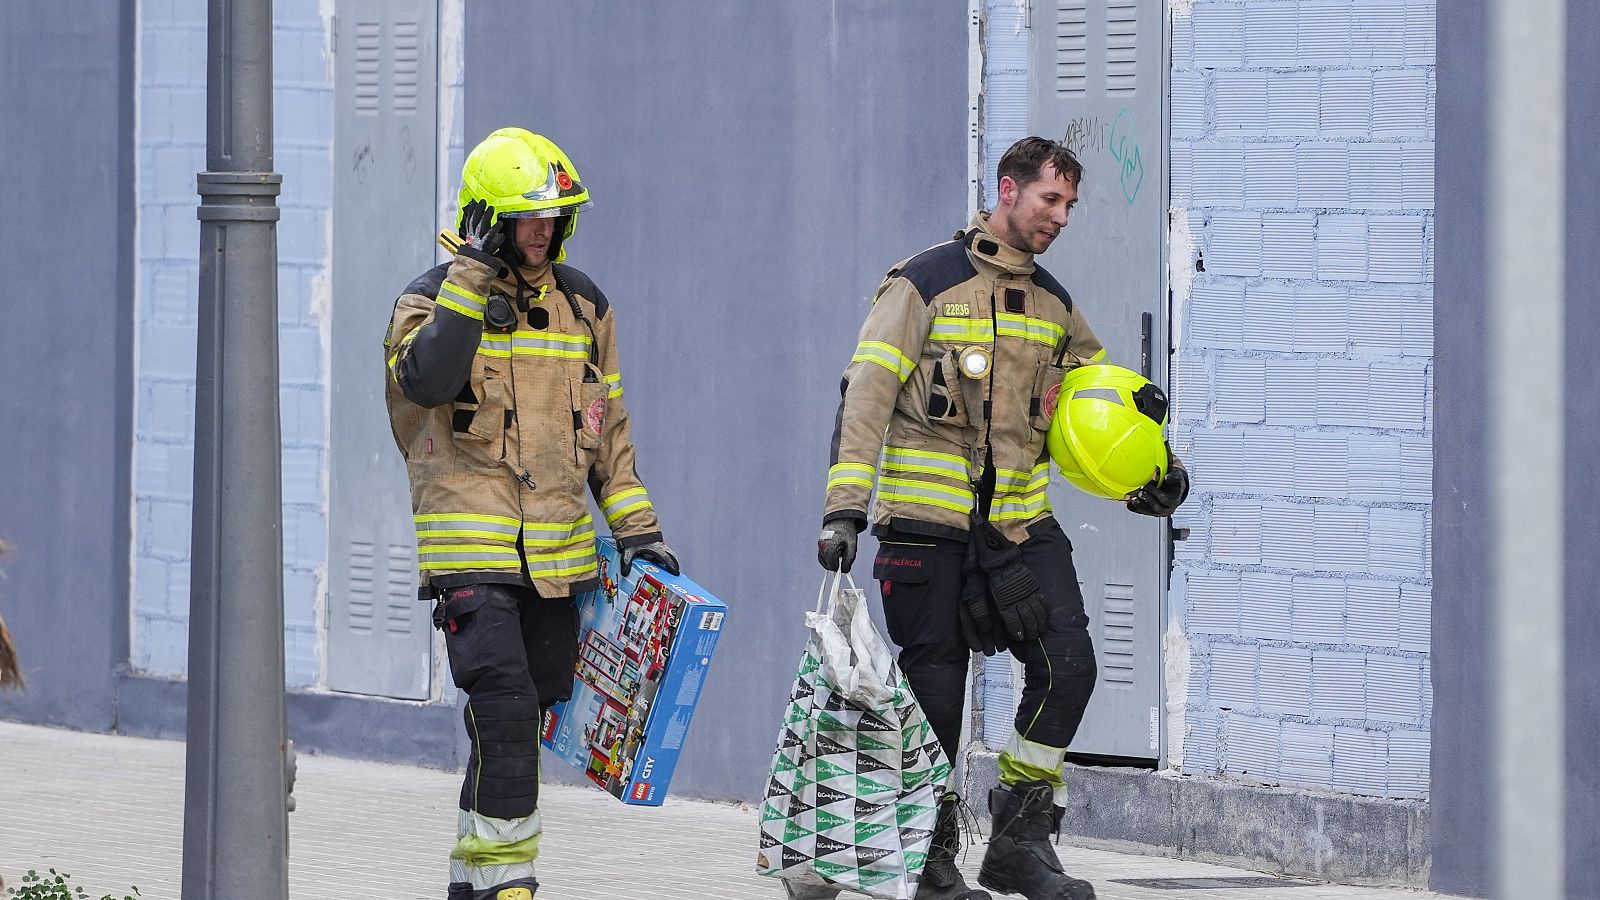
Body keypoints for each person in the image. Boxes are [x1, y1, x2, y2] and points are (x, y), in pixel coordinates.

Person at [814, 137, 1188, 900]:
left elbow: (1102, 413)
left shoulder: (1054, 304)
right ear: (1008, 189)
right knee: (936, 699)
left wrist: (1160, 473)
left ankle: (1020, 841)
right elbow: (865, 397)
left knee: (1069, 668)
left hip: (1020, 527)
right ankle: (925, 859)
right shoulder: (922, 284)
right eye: (1050, 199)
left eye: (1070, 205)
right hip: (926, 525)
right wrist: (845, 512)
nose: (1060, 217)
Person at [385, 127, 678, 900]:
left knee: (522, 716)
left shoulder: (585, 306)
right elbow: (426, 381)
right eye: (526, 217)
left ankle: (472, 879)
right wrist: (469, 279)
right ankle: (504, 886)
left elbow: (608, 432)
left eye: (555, 216)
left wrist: (640, 535)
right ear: (487, 219)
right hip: (471, 553)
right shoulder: (429, 298)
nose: (544, 230)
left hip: (558, 558)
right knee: (505, 707)